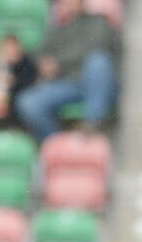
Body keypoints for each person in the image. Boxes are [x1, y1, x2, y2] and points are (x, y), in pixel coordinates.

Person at [15, 0, 120, 141]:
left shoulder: (98, 22)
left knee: (98, 61)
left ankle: (92, 123)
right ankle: (58, 143)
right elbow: (38, 52)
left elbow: (96, 47)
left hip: (97, 84)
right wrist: (43, 62)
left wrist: (59, 63)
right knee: (28, 102)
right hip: (68, 85)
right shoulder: (58, 28)